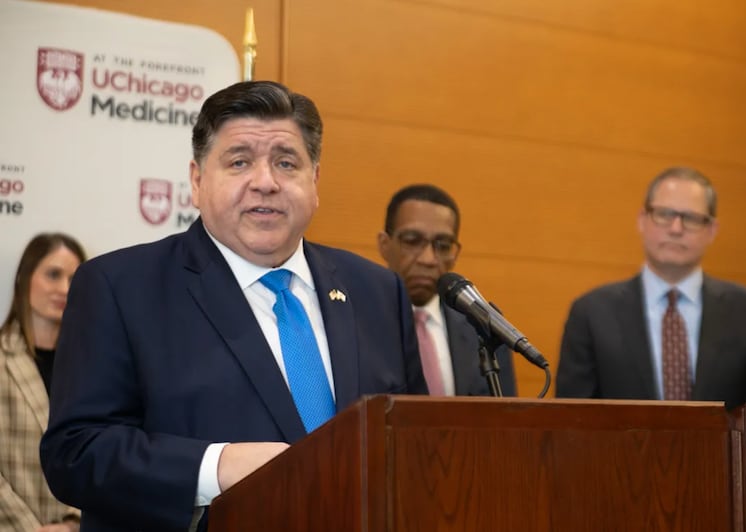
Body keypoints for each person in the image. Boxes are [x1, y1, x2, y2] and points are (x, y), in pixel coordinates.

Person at [39, 81, 428, 532]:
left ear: (315, 181)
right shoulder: (119, 287)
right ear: (197, 180)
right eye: (239, 161)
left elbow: (415, 443)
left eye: (286, 162)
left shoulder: (377, 290)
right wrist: (215, 467)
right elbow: (74, 453)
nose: (265, 182)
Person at [555, 166, 746, 503]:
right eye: (665, 214)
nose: (676, 228)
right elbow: (573, 428)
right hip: (616, 509)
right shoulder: (591, 313)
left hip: (723, 509)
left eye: (692, 218)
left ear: (712, 230)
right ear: (642, 220)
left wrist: (737, 506)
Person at [378, 184, 517, 397]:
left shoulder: (482, 329)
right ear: (385, 245)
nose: (428, 259)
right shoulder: (357, 322)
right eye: (412, 241)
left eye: (443, 246)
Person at [1, 233, 85, 532]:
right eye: (53, 275)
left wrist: (73, 523)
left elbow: (100, 451)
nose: (64, 288)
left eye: (74, 278)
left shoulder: (93, 364)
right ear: (24, 278)